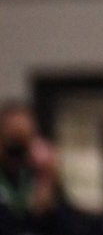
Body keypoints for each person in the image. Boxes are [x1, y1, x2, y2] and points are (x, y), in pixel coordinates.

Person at [0, 100, 91, 235]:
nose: (19, 148)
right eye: (13, 135)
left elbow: (73, 227)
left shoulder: (37, 177)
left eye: (24, 136)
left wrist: (48, 177)